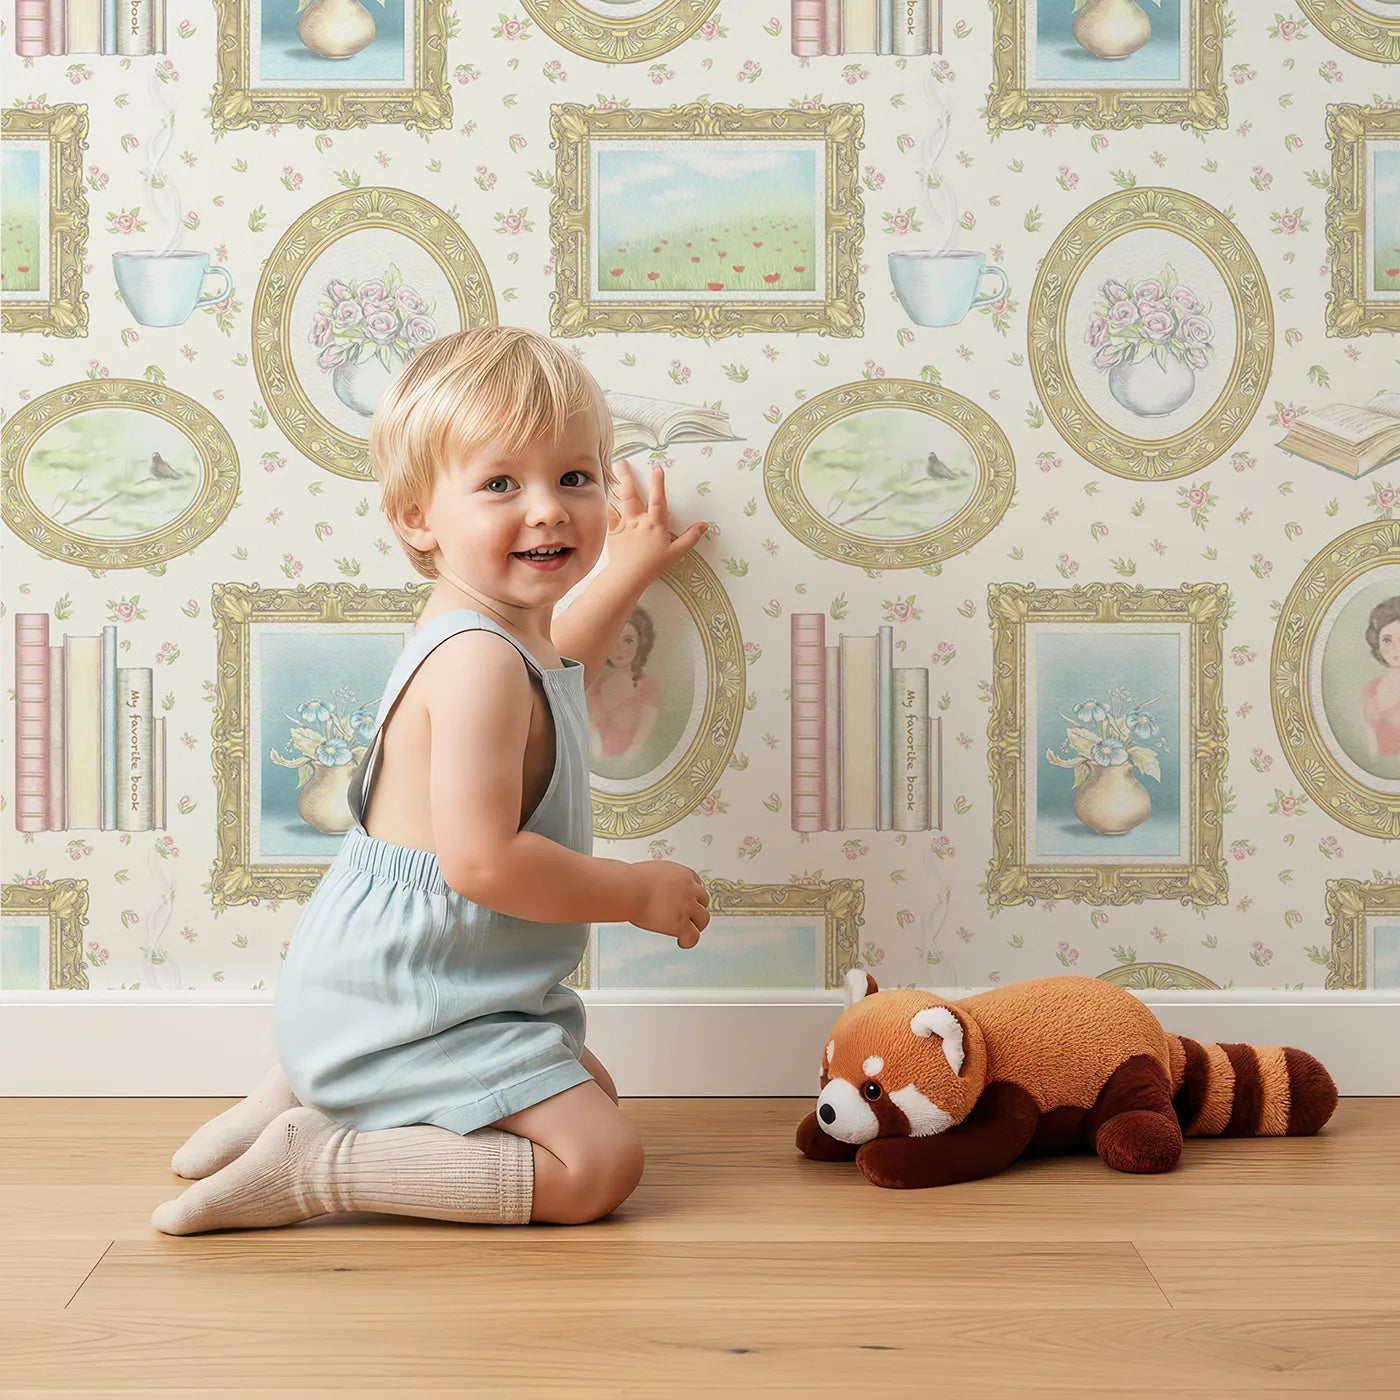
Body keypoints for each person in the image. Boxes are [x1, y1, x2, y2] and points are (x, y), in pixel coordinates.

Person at [151, 326, 710, 1234]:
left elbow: (563, 660)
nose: (549, 510)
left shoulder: (499, 630)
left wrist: (630, 567)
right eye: (501, 484)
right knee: (598, 1163)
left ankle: (308, 1087)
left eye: (575, 478)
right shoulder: (478, 663)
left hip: (420, 985)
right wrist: (636, 892)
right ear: (417, 516)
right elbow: (484, 866)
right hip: (411, 1002)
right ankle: (318, 1160)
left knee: (591, 1085)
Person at [587, 605, 662, 769]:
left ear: (641, 643)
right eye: (614, 639)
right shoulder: (595, 686)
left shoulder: (647, 689)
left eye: (628, 640)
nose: (619, 648)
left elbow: (638, 747)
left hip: (625, 774)